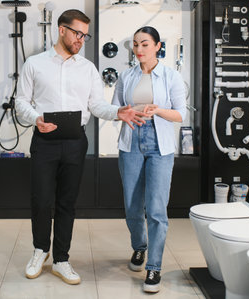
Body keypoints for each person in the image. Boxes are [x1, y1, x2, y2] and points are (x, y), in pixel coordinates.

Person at [15, 9, 146, 285]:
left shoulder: (87, 68)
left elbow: (96, 105)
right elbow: (21, 102)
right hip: (44, 141)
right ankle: (41, 251)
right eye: (77, 33)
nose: (81, 40)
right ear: (61, 30)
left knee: (66, 203)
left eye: (85, 35)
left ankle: (61, 258)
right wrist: (35, 118)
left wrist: (117, 112)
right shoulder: (35, 64)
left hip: (75, 143)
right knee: (41, 200)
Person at [111, 26, 187, 293]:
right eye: (135, 44)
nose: (139, 49)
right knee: (132, 207)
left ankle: (154, 267)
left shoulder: (171, 76)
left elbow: (181, 115)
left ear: (157, 46)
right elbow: (116, 108)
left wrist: (159, 110)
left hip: (160, 144)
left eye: (145, 44)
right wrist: (124, 111)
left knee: (156, 209)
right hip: (131, 142)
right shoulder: (126, 75)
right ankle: (139, 248)